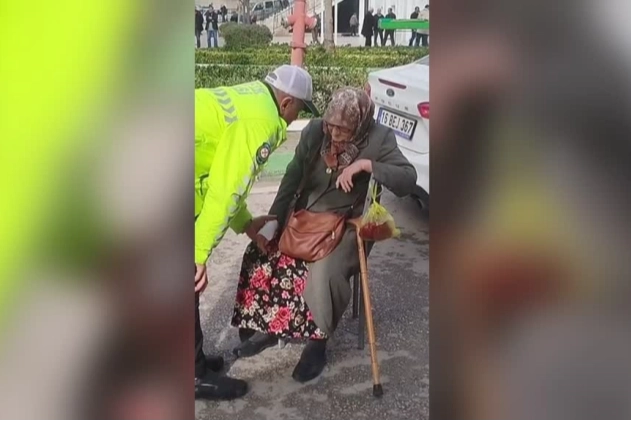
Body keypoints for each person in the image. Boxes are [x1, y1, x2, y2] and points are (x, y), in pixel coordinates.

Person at [230, 87, 417, 383]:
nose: (334, 133)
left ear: (360, 125)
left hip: (347, 223)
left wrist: (366, 165)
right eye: (331, 125)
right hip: (304, 217)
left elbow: (408, 179)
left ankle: (317, 342)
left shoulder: (379, 137)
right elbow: (292, 176)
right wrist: (275, 220)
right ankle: (271, 327)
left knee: (325, 270)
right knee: (264, 249)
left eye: (343, 129)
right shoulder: (316, 131)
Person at [195, 65, 319, 400]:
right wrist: (198, 253)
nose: (295, 118)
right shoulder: (261, 122)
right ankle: (193, 376)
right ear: (286, 102)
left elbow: (216, 175)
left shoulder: (253, 96)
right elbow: (226, 191)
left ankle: (194, 363)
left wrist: (248, 224)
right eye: (299, 110)